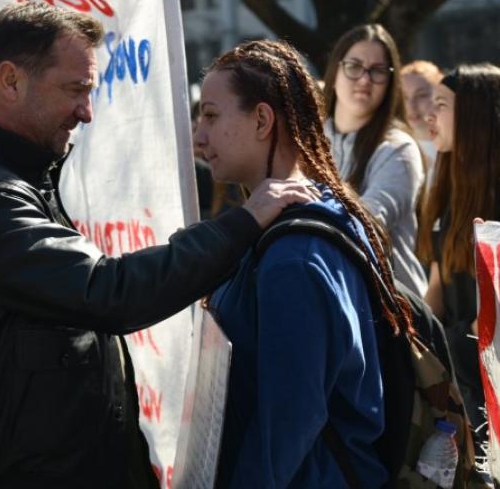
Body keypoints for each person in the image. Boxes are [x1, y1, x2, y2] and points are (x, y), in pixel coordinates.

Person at [0, 2, 313, 488]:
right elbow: (108, 291)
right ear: (10, 81)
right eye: (76, 90)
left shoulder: (3, 177)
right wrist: (242, 225)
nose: (87, 111)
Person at [196, 39, 423, 486]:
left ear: (262, 119)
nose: (199, 134)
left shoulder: (294, 257)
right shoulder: (316, 214)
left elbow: (288, 420)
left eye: (211, 115)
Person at [419, 63, 500, 446]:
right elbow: (435, 292)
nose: (427, 115)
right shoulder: (445, 192)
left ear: (475, 115)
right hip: (461, 376)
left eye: (441, 104)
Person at [322, 24, 427, 297]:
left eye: (378, 71)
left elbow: (367, 224)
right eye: (354, 66)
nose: (365, 79)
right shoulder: (307, 142)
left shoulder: (399, 149)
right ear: (335, 71)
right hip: (329, 298)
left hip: (394, 312)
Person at [400, 60, 442, 175]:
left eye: (421, 95)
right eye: (404, 97)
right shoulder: (391, 147)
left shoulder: (454, 148)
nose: (411, 105)